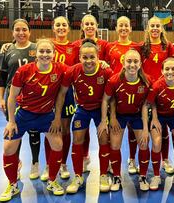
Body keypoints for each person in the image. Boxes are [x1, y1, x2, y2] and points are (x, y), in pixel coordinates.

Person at [0, 38, 68, 201]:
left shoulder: (60, 69)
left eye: (48, 51)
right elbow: (12, 97)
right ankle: (12, 184)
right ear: (35, 54)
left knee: (58, 144)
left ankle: (52, 181)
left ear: (54, 54)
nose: (45, 54)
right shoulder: (24, 71)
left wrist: (101, 62)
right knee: (8, 146)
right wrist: (11, 121)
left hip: (46, 115)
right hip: (24, 114)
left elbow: (78, 69)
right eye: (41, 51)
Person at [53, 39, 113, 193]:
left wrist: (109, 118)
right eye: (85, 57)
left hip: (101, 110)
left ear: (98, 56)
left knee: (104, 138)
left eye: (92, 57)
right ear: (79, 57)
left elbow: (112, 97)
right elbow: (61, 94)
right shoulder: (72, 71)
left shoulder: (106, 71)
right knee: (77, 139)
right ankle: (78, 176)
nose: (89, 61)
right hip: (82, 109)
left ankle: (104, 175)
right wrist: (57, 117)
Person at [98, 49, 151, 191]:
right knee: (114, 145)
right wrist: (106, 120)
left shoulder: (146, 81)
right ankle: (116, 176)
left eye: (135, 61)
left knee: (144, 143)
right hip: (119, 116)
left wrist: (146, 128)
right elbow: (106, 100)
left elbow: (146, 106)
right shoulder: (115, 80)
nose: (132, 65)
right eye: (129, 61)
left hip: (137, 116)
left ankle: (143, 176)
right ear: (123, 62)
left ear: (140, 64)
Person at [0, 19, 41, 181]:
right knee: (15, 130)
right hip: (13, 98)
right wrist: (1, 98)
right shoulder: (7, 50)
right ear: (13, 32)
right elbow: (1, 78)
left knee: (34, 131)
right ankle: (15, 163)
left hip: (33, 96)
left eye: (24, 29)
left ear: (29, 32)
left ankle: (35, 163)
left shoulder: (36, 49)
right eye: (17, 30)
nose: (21, 33)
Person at [40, 16, 80, 182]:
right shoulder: (45, 45)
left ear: (69, 28)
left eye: (64, 25)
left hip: (67, 92)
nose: (61, 27)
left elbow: (79, 68)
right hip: (48, 92)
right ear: (53, 28)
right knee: (50, 130)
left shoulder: (74, 47)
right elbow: (25, 46)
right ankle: (49, 165)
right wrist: (9, 44)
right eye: (58, 25)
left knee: (64, 129)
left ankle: (63, 164)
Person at [146, 57, 174, 190]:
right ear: (162, 71)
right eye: (167, 69)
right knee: (157, 142)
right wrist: (154, 118)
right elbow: (150, 103)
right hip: (159, 115)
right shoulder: (157, 86)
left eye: (173, 69)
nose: (170, 72)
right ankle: (156, 176)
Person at [72, 14, 108, 172]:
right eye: (86, 23)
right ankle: (82, 161)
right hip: (82, 95)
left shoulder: (105, 45)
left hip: (101, 100)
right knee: (80, 132)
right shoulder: (75, 45)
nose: (89, 26)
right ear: (82, 26)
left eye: (92, 23)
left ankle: (105, 171)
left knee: (105, 136)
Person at [141, 16, 174, 174]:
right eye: (152, 26)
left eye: (157, 26)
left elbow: (172, 66)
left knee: (163, 127)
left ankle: (165, 159)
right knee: (139, 126)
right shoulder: (142, 46)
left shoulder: (168, 46)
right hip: (146, 91)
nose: (155, 28)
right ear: (147, 28)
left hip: (162, 91)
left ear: (161, 29)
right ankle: (133, 159)